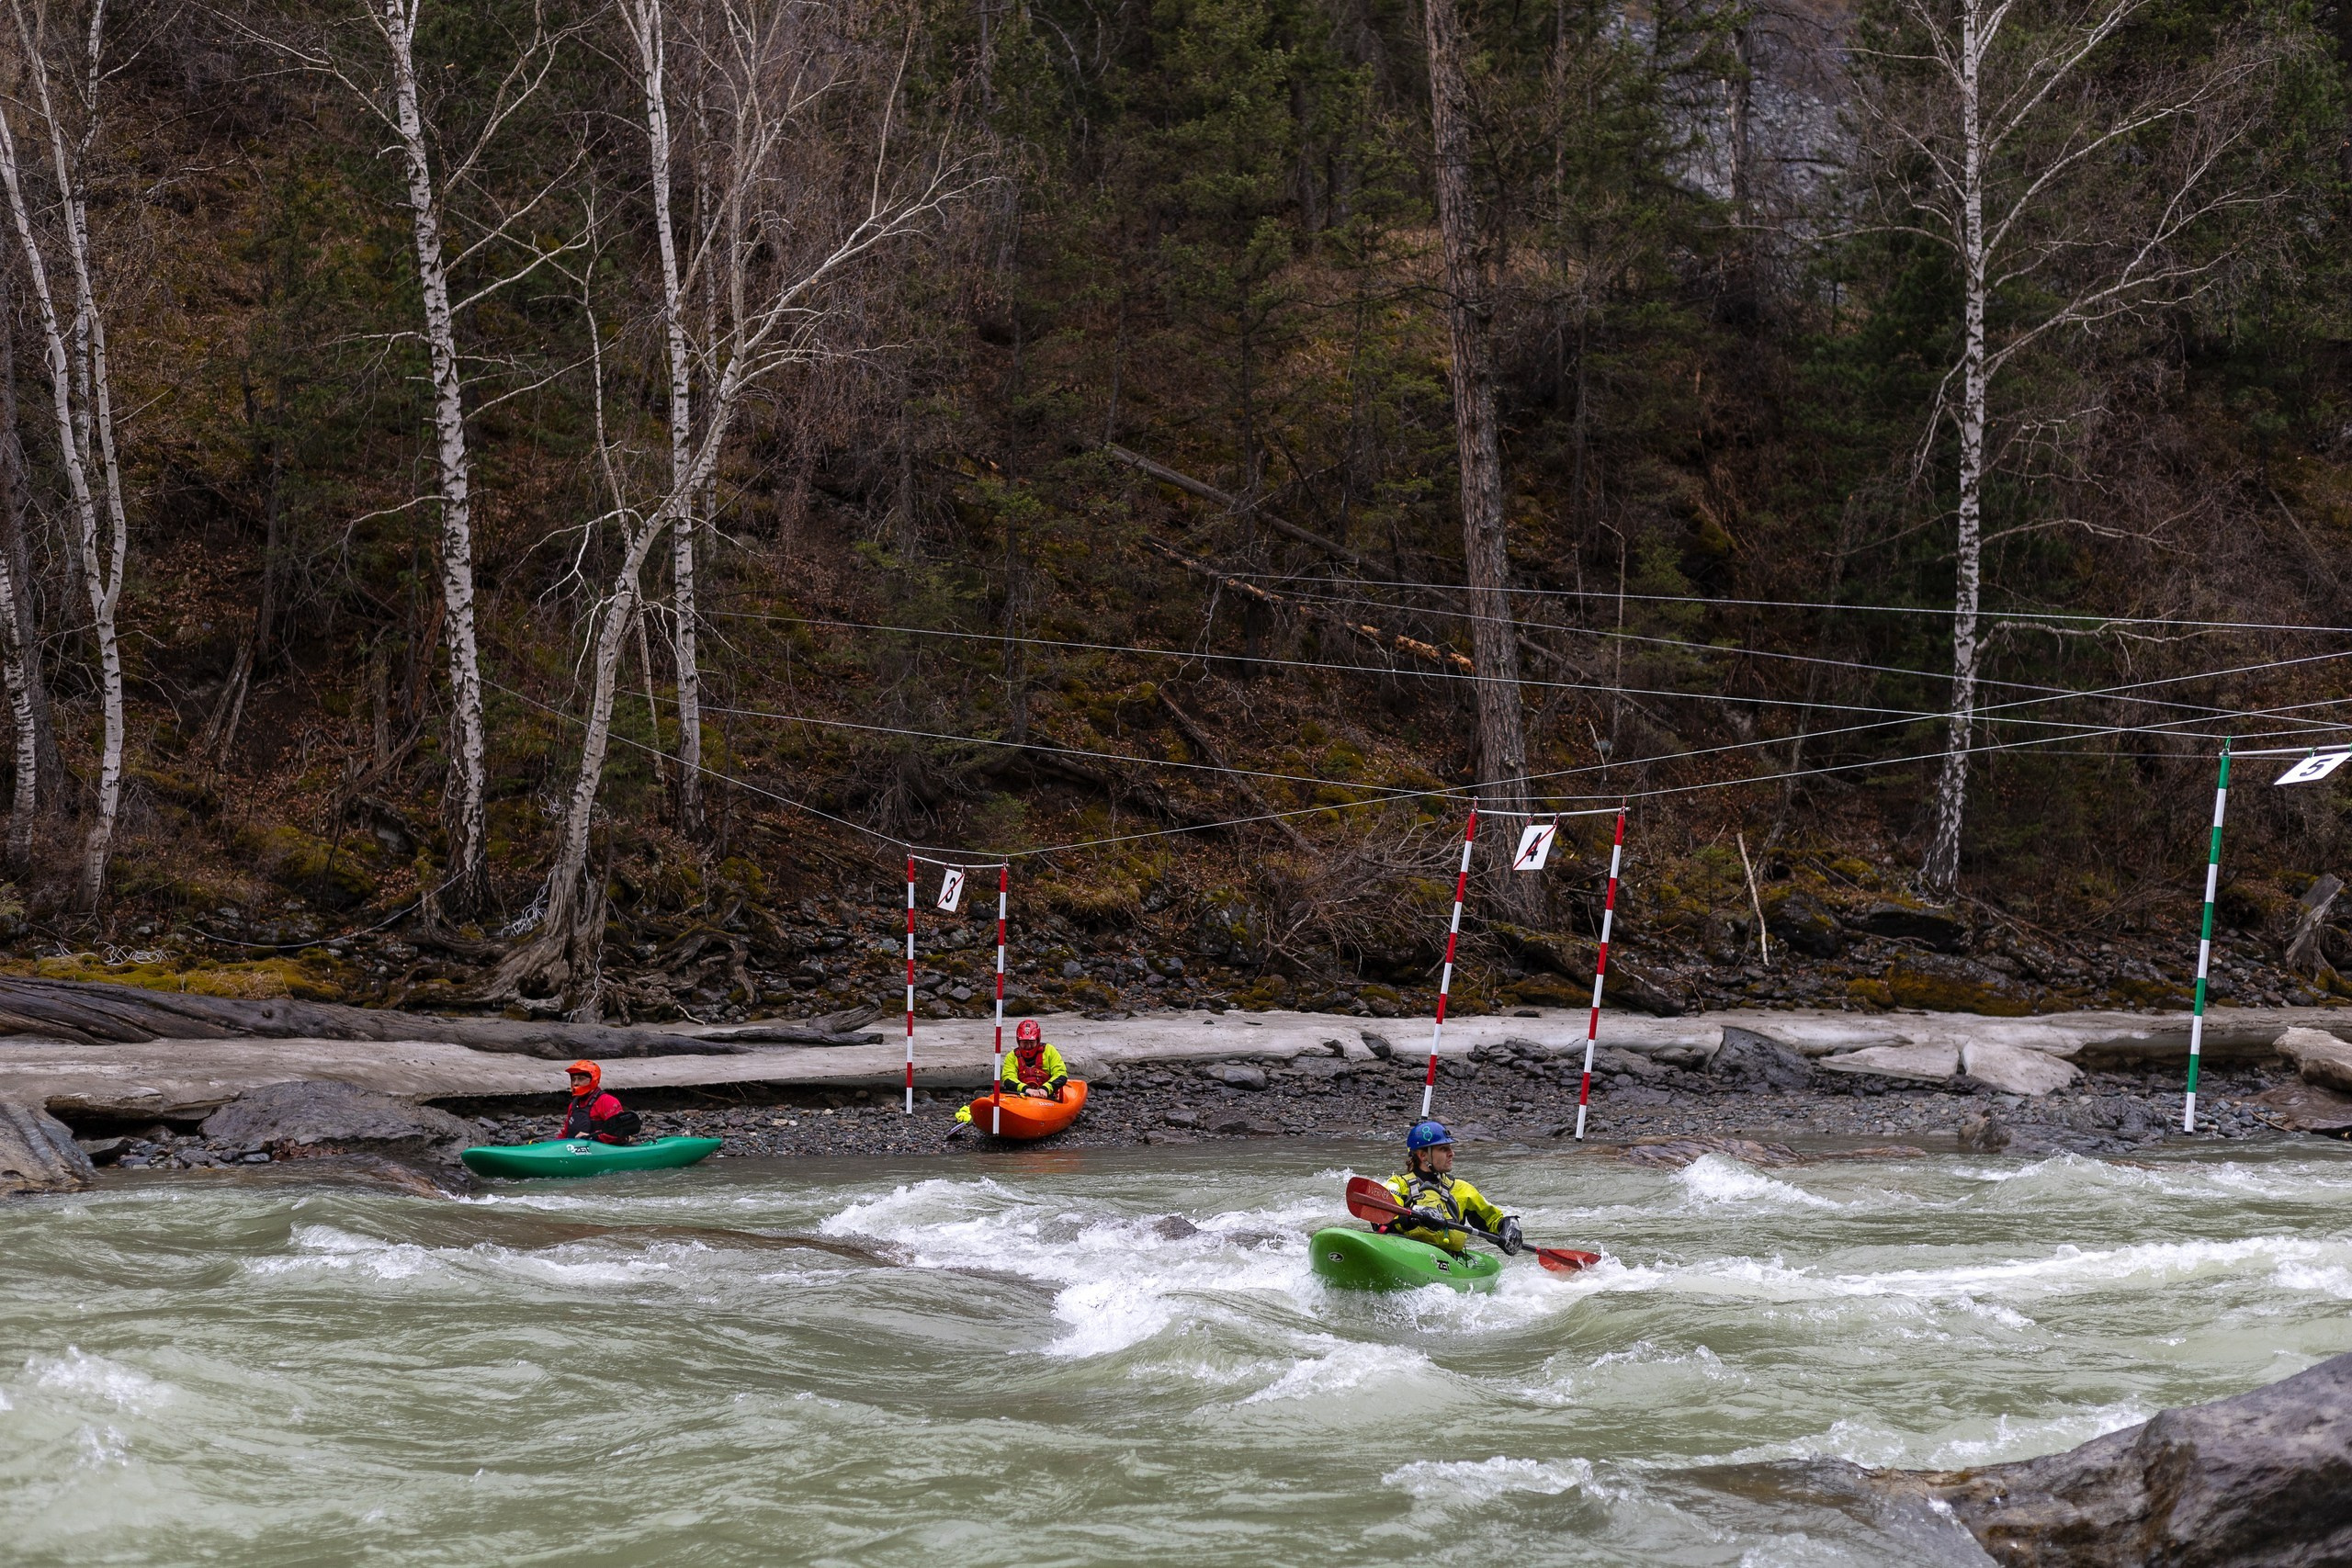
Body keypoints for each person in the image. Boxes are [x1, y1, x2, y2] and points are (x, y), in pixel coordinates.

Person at [1381, 1120, 1523, 1257]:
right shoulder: (1398, 1184)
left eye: (1450, 1148)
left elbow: (1491, 1220)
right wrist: (1415, 1216)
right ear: (1423, 1155)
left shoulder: (1463, 1189)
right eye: (1444, 1149)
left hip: (1450, 1260)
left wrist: (1508, 1224)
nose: (1451, 1153)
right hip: (1409, 1253)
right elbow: (1383, 1213)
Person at [559, 1060, 640, 1144]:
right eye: (573, 1079)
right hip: (576, 1149)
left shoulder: (607, 1101)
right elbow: (565, 1132)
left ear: (593, 1080)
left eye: (580, 1079)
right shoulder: (573, 1105)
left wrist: (592, 1138)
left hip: (603, 1150)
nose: (575, 1083)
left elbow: (619, 1131)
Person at [999, 1019, 1069, 1100]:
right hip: (1021, 1097)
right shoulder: (1012, 1056)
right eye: (1024, 1042)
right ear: (1018, 1041)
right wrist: (1026, 1089)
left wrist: (1045, 1088)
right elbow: (1008, 1078)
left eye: (1032, 1043)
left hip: (1048, 1097)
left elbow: (1061, 1074)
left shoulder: (1049, 1051)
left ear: (1038, 1040)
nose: (1028, 1046)